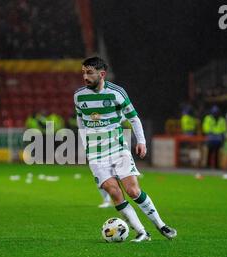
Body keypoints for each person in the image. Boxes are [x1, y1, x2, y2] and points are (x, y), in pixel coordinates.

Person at [74, 57, 177, 242]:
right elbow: (80, 120)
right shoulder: (79, 96)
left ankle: (161, 225)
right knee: (114, 192)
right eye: (83, 72)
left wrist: (142, 142)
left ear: (102, 74)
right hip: (96, 154)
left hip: (118, 149)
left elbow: (134, 118)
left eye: (89, 73)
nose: (85, 77)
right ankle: (141, 232)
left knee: (133, 191)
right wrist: (84, 144)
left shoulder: (117, 93)